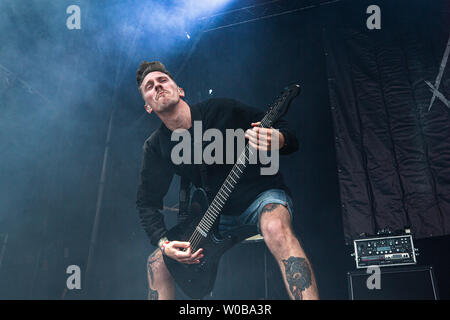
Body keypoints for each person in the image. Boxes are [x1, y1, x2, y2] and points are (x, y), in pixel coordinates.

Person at [135, 61, 319, 300]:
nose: (157, 86)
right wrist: (163, 243)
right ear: (148, 106)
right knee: (157, 262)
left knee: (275, 227)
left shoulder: (222, 109)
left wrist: (279, 138)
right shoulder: (156, 146)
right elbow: (146, 203)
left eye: (162, 80)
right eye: (149, 86)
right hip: (215, 215)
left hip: (260, 198)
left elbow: (284, 128)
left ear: (180, 90)